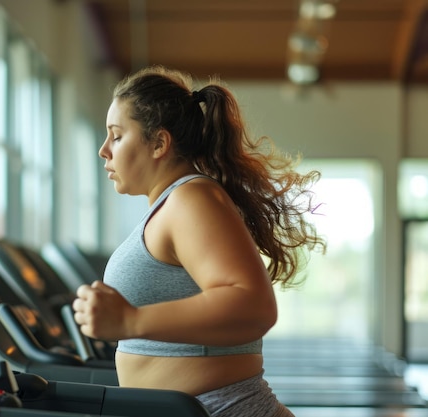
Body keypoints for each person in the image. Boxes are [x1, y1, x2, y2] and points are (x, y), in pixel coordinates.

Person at [72, 65, 326, 417]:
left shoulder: (190, 199)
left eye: (116, 135)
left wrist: (130, 321)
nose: (104, 150)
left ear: (159, 143)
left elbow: (253, 306)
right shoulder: (172, 204)